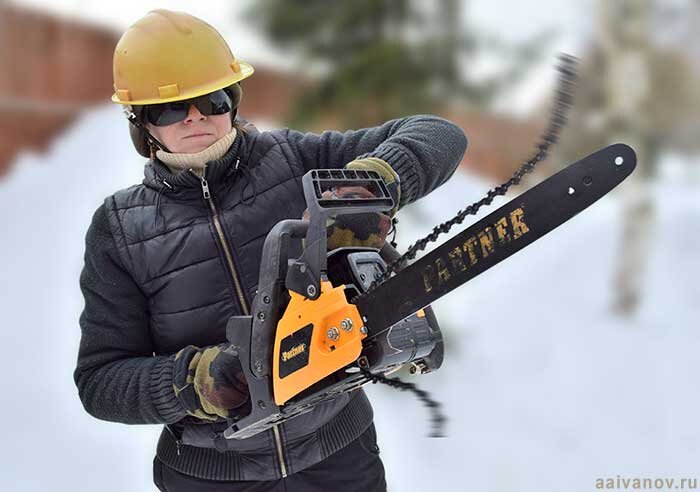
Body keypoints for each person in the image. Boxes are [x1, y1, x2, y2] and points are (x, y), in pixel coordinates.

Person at [73, 9, 467, 492]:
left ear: (232, 99)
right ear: (142, 123)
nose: (195, 116)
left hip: (338, 455)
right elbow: (100, 381)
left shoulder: (295, 160)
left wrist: (366, 185)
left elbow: (439, 134)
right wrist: (196, 381)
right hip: (212, 477)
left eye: (212, 98)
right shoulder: (120, 229)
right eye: (169, 109)